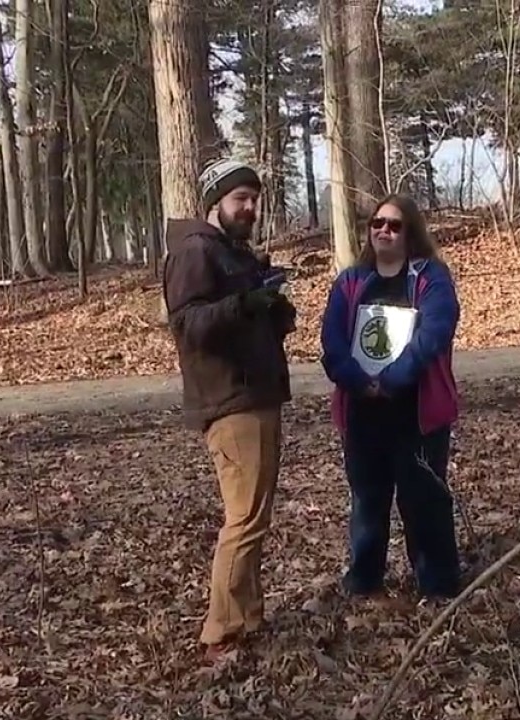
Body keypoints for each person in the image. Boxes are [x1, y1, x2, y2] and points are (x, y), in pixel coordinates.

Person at [162, 158, 296, 661]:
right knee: (243, 519)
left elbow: (239, 319)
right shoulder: (195, 251)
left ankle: (248, 617)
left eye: (255, 199)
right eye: (240, 199)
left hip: (256, 394)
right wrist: (245, 304)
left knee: (254, 516)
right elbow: (188, 326)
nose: (250, 208)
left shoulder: (231, 252)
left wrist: (273, 310)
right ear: (214, 202)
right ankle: (220, 632)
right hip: (230, 401)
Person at [319, 194, 462, 600]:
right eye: (377, 223)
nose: (384, 230)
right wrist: (357, 380)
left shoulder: (430, 278)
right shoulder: (350, 282)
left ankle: (438, 584)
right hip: (362, 412)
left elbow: (435, 333)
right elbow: (332, 340)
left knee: (424, 500)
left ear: (410, 232)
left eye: (395, 225)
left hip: (416, 413)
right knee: (367, 500)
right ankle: (365, 580)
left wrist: (393, 378)